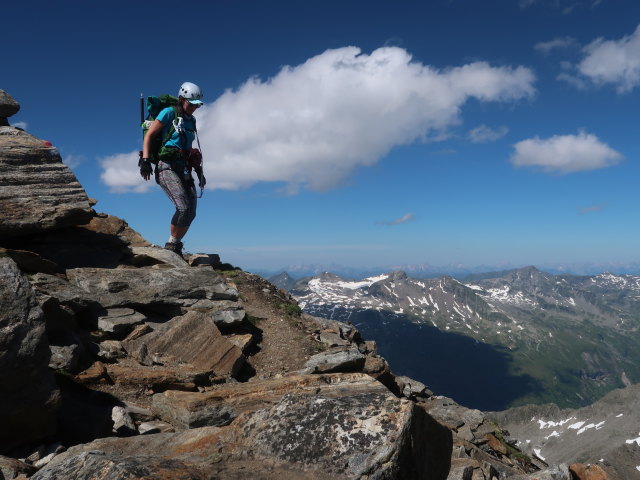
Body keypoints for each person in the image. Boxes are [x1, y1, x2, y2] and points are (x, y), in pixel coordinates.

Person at [139, 82, 206, 256]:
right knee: (183, 207)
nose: (194, 108)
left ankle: (174, 245)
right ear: (182, 99)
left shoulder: (192, 120)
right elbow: (150, 136)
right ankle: (171, 247)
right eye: (191, 104)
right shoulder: (169, 113)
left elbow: (189, 149)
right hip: (166, 166)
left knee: (191, 211)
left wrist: (199, 172)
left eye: (197, 105)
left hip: (183, 167)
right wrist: (145, 160)